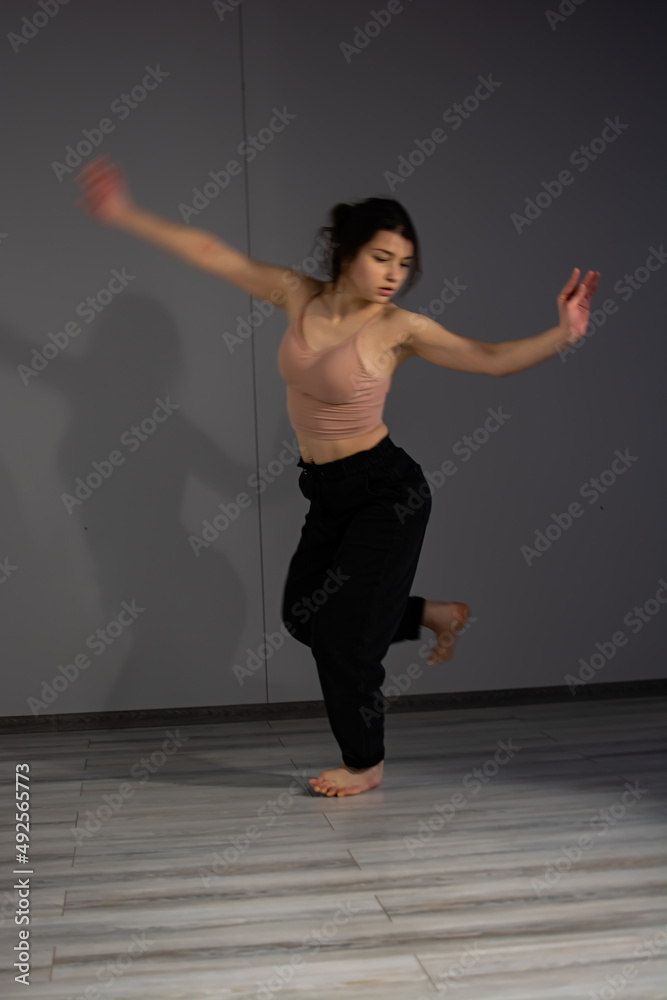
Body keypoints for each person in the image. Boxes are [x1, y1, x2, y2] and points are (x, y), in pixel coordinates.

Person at [74, 155, 599, 797]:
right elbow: (213, 253)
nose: (393, 275)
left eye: (404, 264)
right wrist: (125, 214)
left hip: (387, 491)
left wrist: (563, 334)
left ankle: (365, 762)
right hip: (325, 491)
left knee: (342, 639)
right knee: (303, 615)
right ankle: (431, 613)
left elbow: (488, 360)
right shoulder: (298, 295)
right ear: (348, 251)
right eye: (382, 257)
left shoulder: (399, 329)